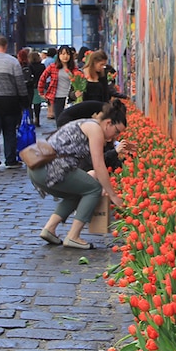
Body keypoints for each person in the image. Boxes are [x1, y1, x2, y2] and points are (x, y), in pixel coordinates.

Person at [29, 99, 127, 249]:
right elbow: (99, 165)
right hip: (51, 168)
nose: (115, 137)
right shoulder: (95, 129)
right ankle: (73, 236)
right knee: (93, 188)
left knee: (77, 192)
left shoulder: (86, 123)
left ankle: (50, 228)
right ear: (108, 123)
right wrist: (113, 195)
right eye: (117, 131)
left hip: (37, 166)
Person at [0, 36, 29, 171]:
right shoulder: (12, 62)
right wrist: (25, 102)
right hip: (9, 101)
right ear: (6, 46)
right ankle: (10, 160)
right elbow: (20, 84)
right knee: (9, 132)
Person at [56, 100, 136, 169]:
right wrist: (115, 149)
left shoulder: (106, 117)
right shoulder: (99, 120)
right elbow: (96, 161)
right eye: (116, 131)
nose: (116, 135)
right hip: (67, 120)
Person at [37, 45, 83, 127]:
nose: (65, 56)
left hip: (70, 99)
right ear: (59, 55)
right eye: (63, 54)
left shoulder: (74, 69)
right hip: (57, 97)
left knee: (69, 122)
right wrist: (41, 92)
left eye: (67, 54)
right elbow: (42, 78)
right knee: (59, 121)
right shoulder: (53, 67)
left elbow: (80, 82)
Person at [28, 50, 46, 127]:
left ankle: (31, 119)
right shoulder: (42, 66)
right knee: (37, 104)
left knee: (29, 104)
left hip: (31, 86)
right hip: (40, 85)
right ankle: (37, 118)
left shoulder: (29, 66)